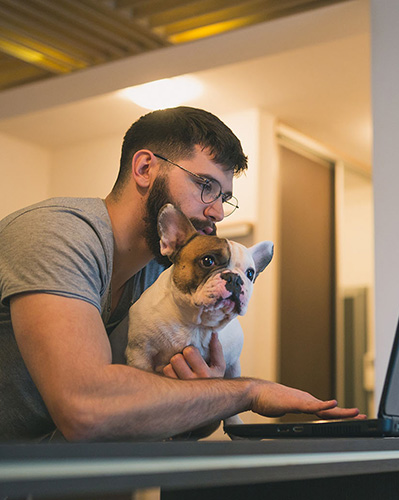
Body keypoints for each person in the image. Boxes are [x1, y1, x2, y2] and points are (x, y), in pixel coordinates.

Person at [0, 106, 361, 442]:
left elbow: (168, 417)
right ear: (145, 168)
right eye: (205, 186)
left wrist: (202, 393)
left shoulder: (166, 274)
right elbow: (85, 408)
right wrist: (245, 391)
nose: (218, 211)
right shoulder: (56, 234)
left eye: (225, 197)